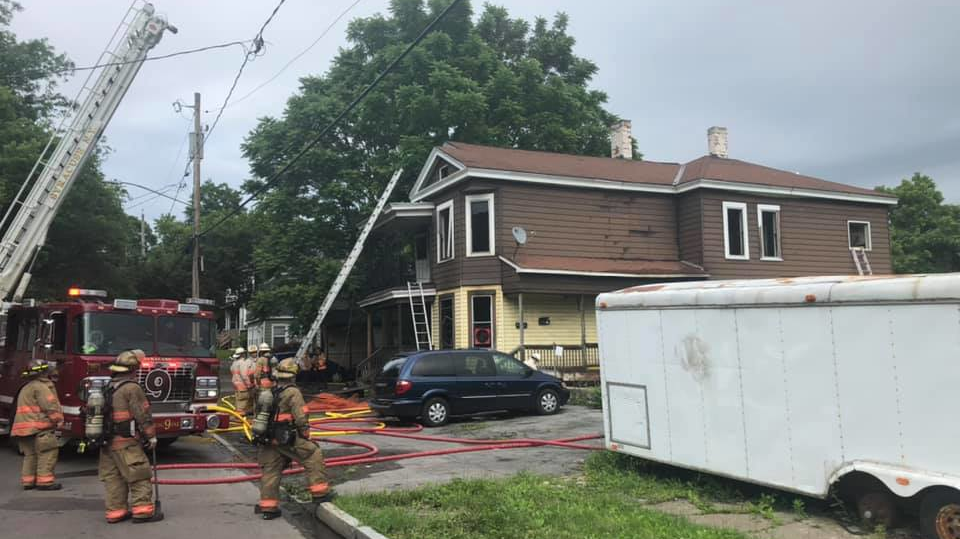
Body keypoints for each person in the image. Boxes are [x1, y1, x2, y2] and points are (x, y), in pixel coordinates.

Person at [255, 358, 329, 520]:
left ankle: (268, 508)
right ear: (293, 375)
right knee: (313, 454)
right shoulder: (292, 392)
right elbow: (301, 416)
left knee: (271, 471)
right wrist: (305, 433)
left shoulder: (269, 392)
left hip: (268, 438)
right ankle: (320, 494)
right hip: (286, 437)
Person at [98, 349, 163, 524]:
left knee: (114, 478)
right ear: (134, 369)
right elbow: (142, 414)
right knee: (139, 475)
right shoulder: (132, 388)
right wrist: (151, 436)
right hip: (126, 442)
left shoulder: (108, 387)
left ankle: (115, 512)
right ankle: (143, 512)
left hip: (107, 443)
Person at [12, 359, 63, 490]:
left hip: (24, 429)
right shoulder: (42, 387)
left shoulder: (26, 387)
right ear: (44, 372)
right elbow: (50, 406)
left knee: (30, 455)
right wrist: (58, 420)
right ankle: (45, 482)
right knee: (48, 453)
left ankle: (28, 482)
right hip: (40, 429)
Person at [230, 347, 255, 415]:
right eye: (244, 353)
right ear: (242, 354)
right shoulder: (242, 363)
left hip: (236, 384)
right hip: (242, 385)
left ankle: (242, 413)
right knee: (243, 401)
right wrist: (249, 385)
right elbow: (244, 376)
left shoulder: (234, 362)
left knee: (239, 400)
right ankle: (240, 416)